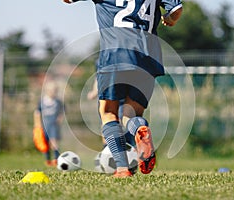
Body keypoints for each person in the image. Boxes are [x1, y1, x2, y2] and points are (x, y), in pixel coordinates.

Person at [63, 0, 182, 177]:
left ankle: (122, 169)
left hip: (115, 52)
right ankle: (140, 130)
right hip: (148, 56)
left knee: (108, 112)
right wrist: (170, 18)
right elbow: (177, 9)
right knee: (131, 113)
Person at [34, 82, 64, 167]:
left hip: (54, 125)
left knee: (54, 142)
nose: (53, 93)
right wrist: (37, 124)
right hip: (44, 125)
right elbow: (37, 113)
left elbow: (62, 111)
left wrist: (60, 118)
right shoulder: (43, 101)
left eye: (55, 91)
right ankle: (47, 160)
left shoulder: (58, 102)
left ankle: (56, 159)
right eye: (51, 91)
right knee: (45, 142)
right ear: (47, 91)